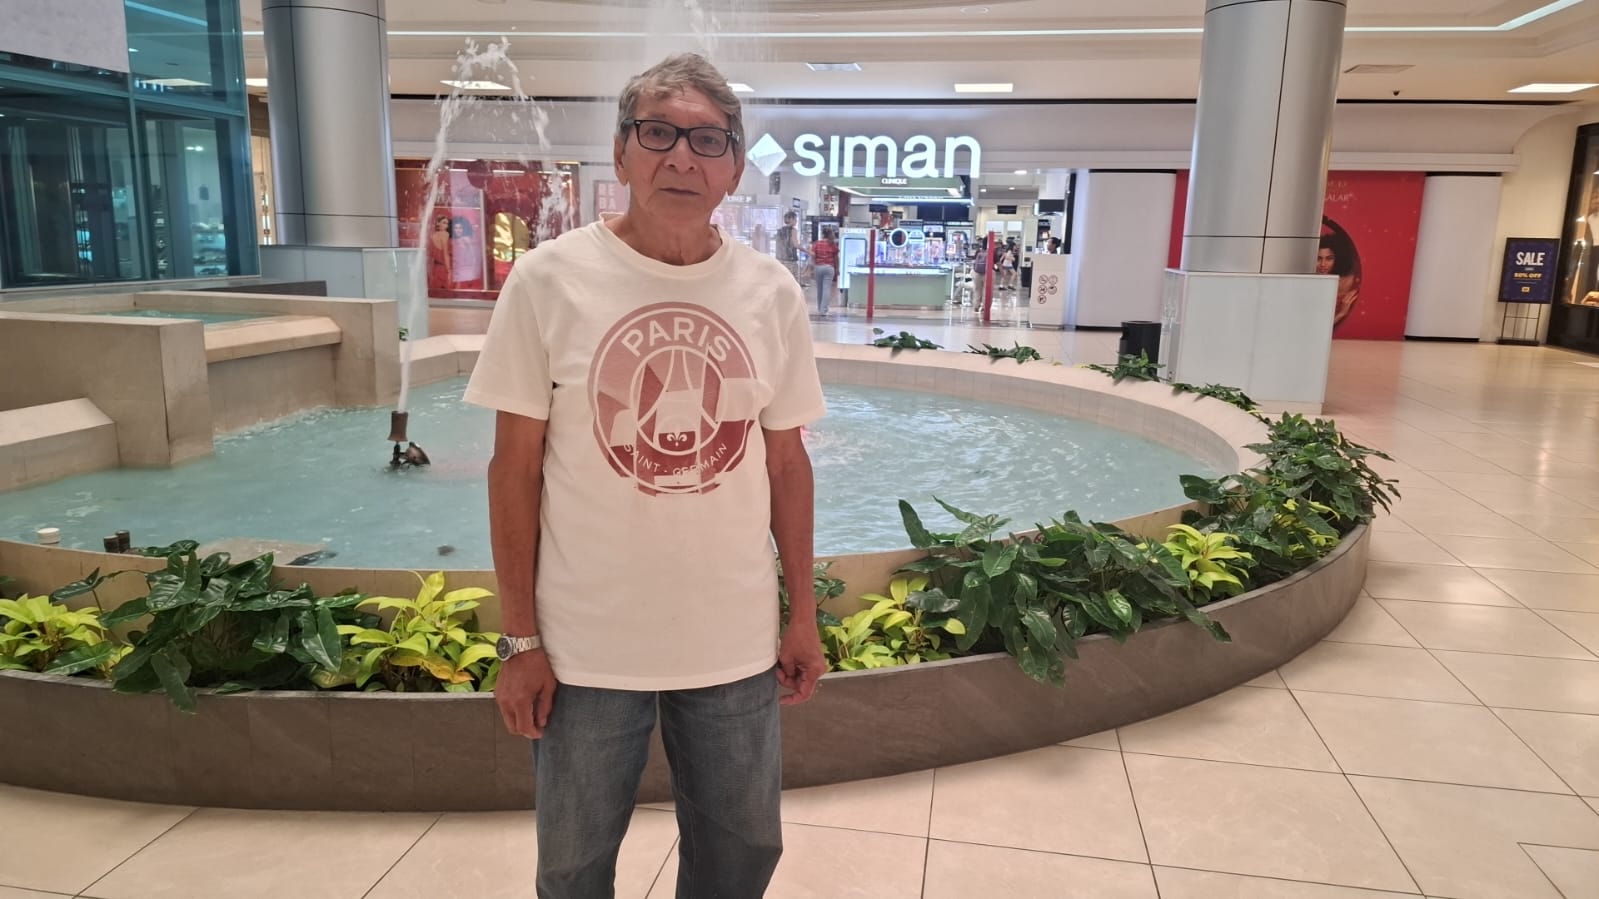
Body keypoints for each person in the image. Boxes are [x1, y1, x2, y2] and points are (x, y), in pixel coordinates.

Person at [463, 52, 828, 898]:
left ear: (733, 168)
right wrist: (520, 640)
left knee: (742, 854)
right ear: (621, 152)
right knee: (572, 867)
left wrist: (803, 615)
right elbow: (513, 469)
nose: (681, 158)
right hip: (585, 648)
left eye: (708, 140)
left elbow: (786, 462)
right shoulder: (548, 280)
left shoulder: (770, 292)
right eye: (658, 133)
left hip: (732, 641)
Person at [1318, 219, 1362, 327]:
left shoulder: (1349, 282)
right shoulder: (1311, 283)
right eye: (1318, 258)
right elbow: (1317, 328)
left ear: (1338, 259)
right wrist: (1341, 314)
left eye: (1329, 259)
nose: (1323, 264)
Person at [811, 225, 839, 315]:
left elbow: (813, 256)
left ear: (822, 234)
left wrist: (812, 267)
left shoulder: (816, 244)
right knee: (826, 289)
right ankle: (824, 310)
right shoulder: (832, 245)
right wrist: (837, 269)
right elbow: (836, 258)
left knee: (819, 289)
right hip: (829, 268)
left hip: (818, 267)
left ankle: (820, 308)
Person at [450, 215, 483, 289]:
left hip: (468, 272)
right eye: (456, 228)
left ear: (464, 228)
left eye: (460, 228)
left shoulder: (467, 240)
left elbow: (474, 257)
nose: (458, 230)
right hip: (456, 272)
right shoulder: (452, 241)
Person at [775, 210, 802, 282]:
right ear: (791, 219)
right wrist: (806, 251)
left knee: (782, 281)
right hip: (790, 261)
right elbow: (796, 244)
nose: (796, 221)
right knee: (793, 282)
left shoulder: (779, 231)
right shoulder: (793, 230)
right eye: (795, 219)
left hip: (780, 260)